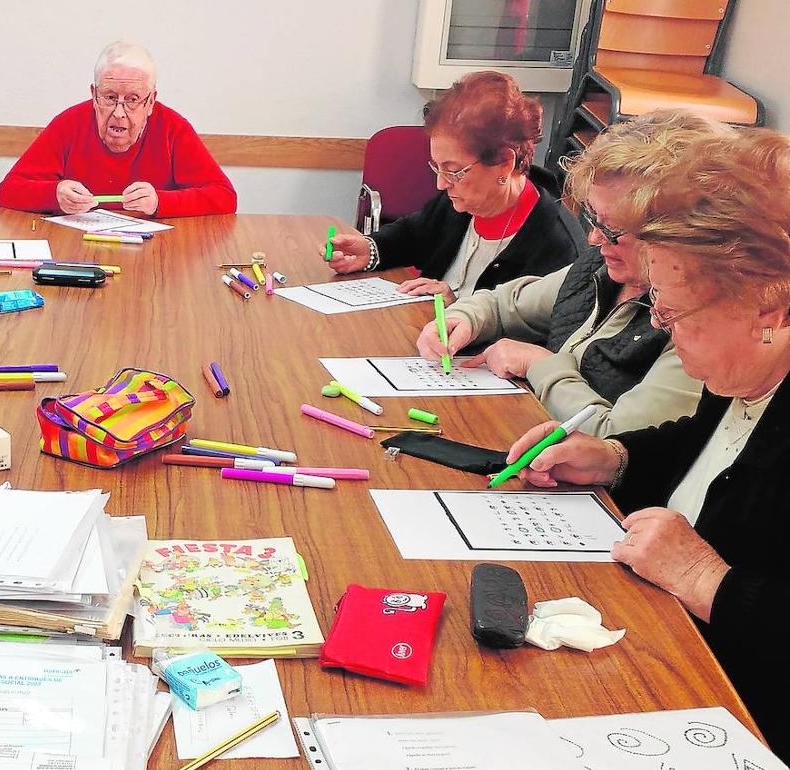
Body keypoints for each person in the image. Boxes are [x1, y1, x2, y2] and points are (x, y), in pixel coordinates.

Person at [504, 129, 790, 759]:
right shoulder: (741, 370)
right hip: (658, 645)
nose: (658, 323)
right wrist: (618, 456)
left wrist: (707, 579)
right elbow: (709, 444)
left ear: (773, 307)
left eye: (677, 310)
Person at [413, 111, 720, 436]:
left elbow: (616, 439)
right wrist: (464, 319)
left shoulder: (693, 324)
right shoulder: (601, 267)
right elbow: (504, 305)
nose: (593, 238)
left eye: (611, 229)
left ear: (673, 235)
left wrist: (539, 365)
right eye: (593, 218)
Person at [321, 71, 585, 303]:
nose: (441, 183)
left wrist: (459, 307)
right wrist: (369, 250)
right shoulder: (461, 202)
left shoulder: (557, 246)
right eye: (437, 167)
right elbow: (413, 234)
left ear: (505, 162)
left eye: (454, 170)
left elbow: (538, 339)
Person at [0, 41, 236, 218]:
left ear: (150, 102)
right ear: (93, 95)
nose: (119, 113)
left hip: (155, 260)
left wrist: (160, 202)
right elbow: (7, 192)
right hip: (79, 254)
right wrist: (54, 194)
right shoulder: (69, 123)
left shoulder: (172, 128)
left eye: (132, 100)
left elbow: (225, 197)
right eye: (109, 97)